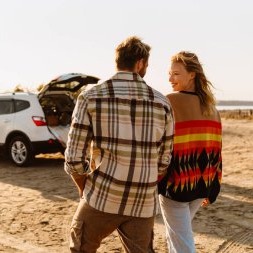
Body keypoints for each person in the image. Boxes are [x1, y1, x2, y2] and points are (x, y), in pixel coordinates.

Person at [64, 36, 174, 253]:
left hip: (102, 196)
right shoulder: (162, 103)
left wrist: (83, 187)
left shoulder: (91, 97)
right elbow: (164, 161)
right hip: (142, 202)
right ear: (140, 63)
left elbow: (74, 157)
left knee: (80, 248)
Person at [158, 51, 222, 253]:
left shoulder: (170, 101)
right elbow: (217, 151)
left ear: (192, 74)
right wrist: (212, 188)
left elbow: (159, 141)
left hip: (176, 184)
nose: (170, 79)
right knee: (175, 235)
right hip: (203, 183)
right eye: (169, 74)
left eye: (176, 74)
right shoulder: (212, 107)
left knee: (182, 243)